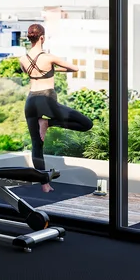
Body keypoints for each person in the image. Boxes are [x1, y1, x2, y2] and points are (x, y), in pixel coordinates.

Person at [19, 23, 93, 192]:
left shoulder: (22, 59)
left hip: (31, 102)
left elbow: (30, 73)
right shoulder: (49, 57)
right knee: (86, 124)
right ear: (42, 37)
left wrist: (47, 71)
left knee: (36, 145)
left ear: (29, 38)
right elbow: (74, 68)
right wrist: (53, 70)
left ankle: (44, 184)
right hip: (47, 100)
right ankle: (49, 123)